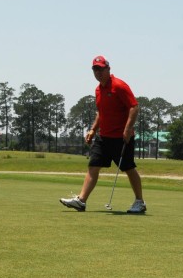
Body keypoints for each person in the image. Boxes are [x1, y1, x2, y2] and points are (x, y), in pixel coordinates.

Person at [60, 56, 146, 213]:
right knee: (93, 166)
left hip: (121, 137)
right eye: (95, 69)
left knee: (128, 168)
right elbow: (101, 112)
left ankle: (140, 202)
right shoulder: (98, 89)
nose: (98, 72)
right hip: (103, 137)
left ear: (108, 69)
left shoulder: (119, 86)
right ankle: (82, 201)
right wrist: (93, 129)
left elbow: (134, 107)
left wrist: (128, 128)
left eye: (100, 69)